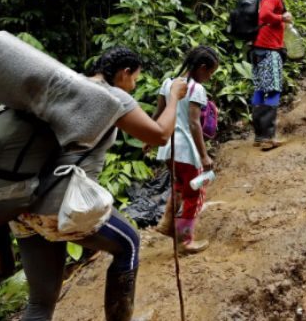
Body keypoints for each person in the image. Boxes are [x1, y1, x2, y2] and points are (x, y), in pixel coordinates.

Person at [11, 46, 187, 321]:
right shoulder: (111, 95)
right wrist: (174, 97)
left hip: (21, 207)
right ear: (124, 73)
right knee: (129, 243)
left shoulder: (69, 87)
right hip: (61, 204)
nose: (133, 86)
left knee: (39, 304)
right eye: (135, 79)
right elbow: (161, 135)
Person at [153, 46, 220, 254]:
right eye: (210, 72)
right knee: (194, 193)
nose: (209, 77)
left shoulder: (168, 83)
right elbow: (194, 123)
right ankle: (185, 241)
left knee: (179, 185)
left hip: (168, 148)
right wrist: (204, 155)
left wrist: (150, 138)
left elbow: (158, 113)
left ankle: (167, 222)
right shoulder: (196, 89)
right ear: (202, 67)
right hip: (187, 151)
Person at [251, 0, 296, 151]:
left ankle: (259, 136)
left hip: (260, 48)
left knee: (260, 90)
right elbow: (264, 15)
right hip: (268, 49)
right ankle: (267, 138)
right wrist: (282, 18)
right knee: (273, 91)